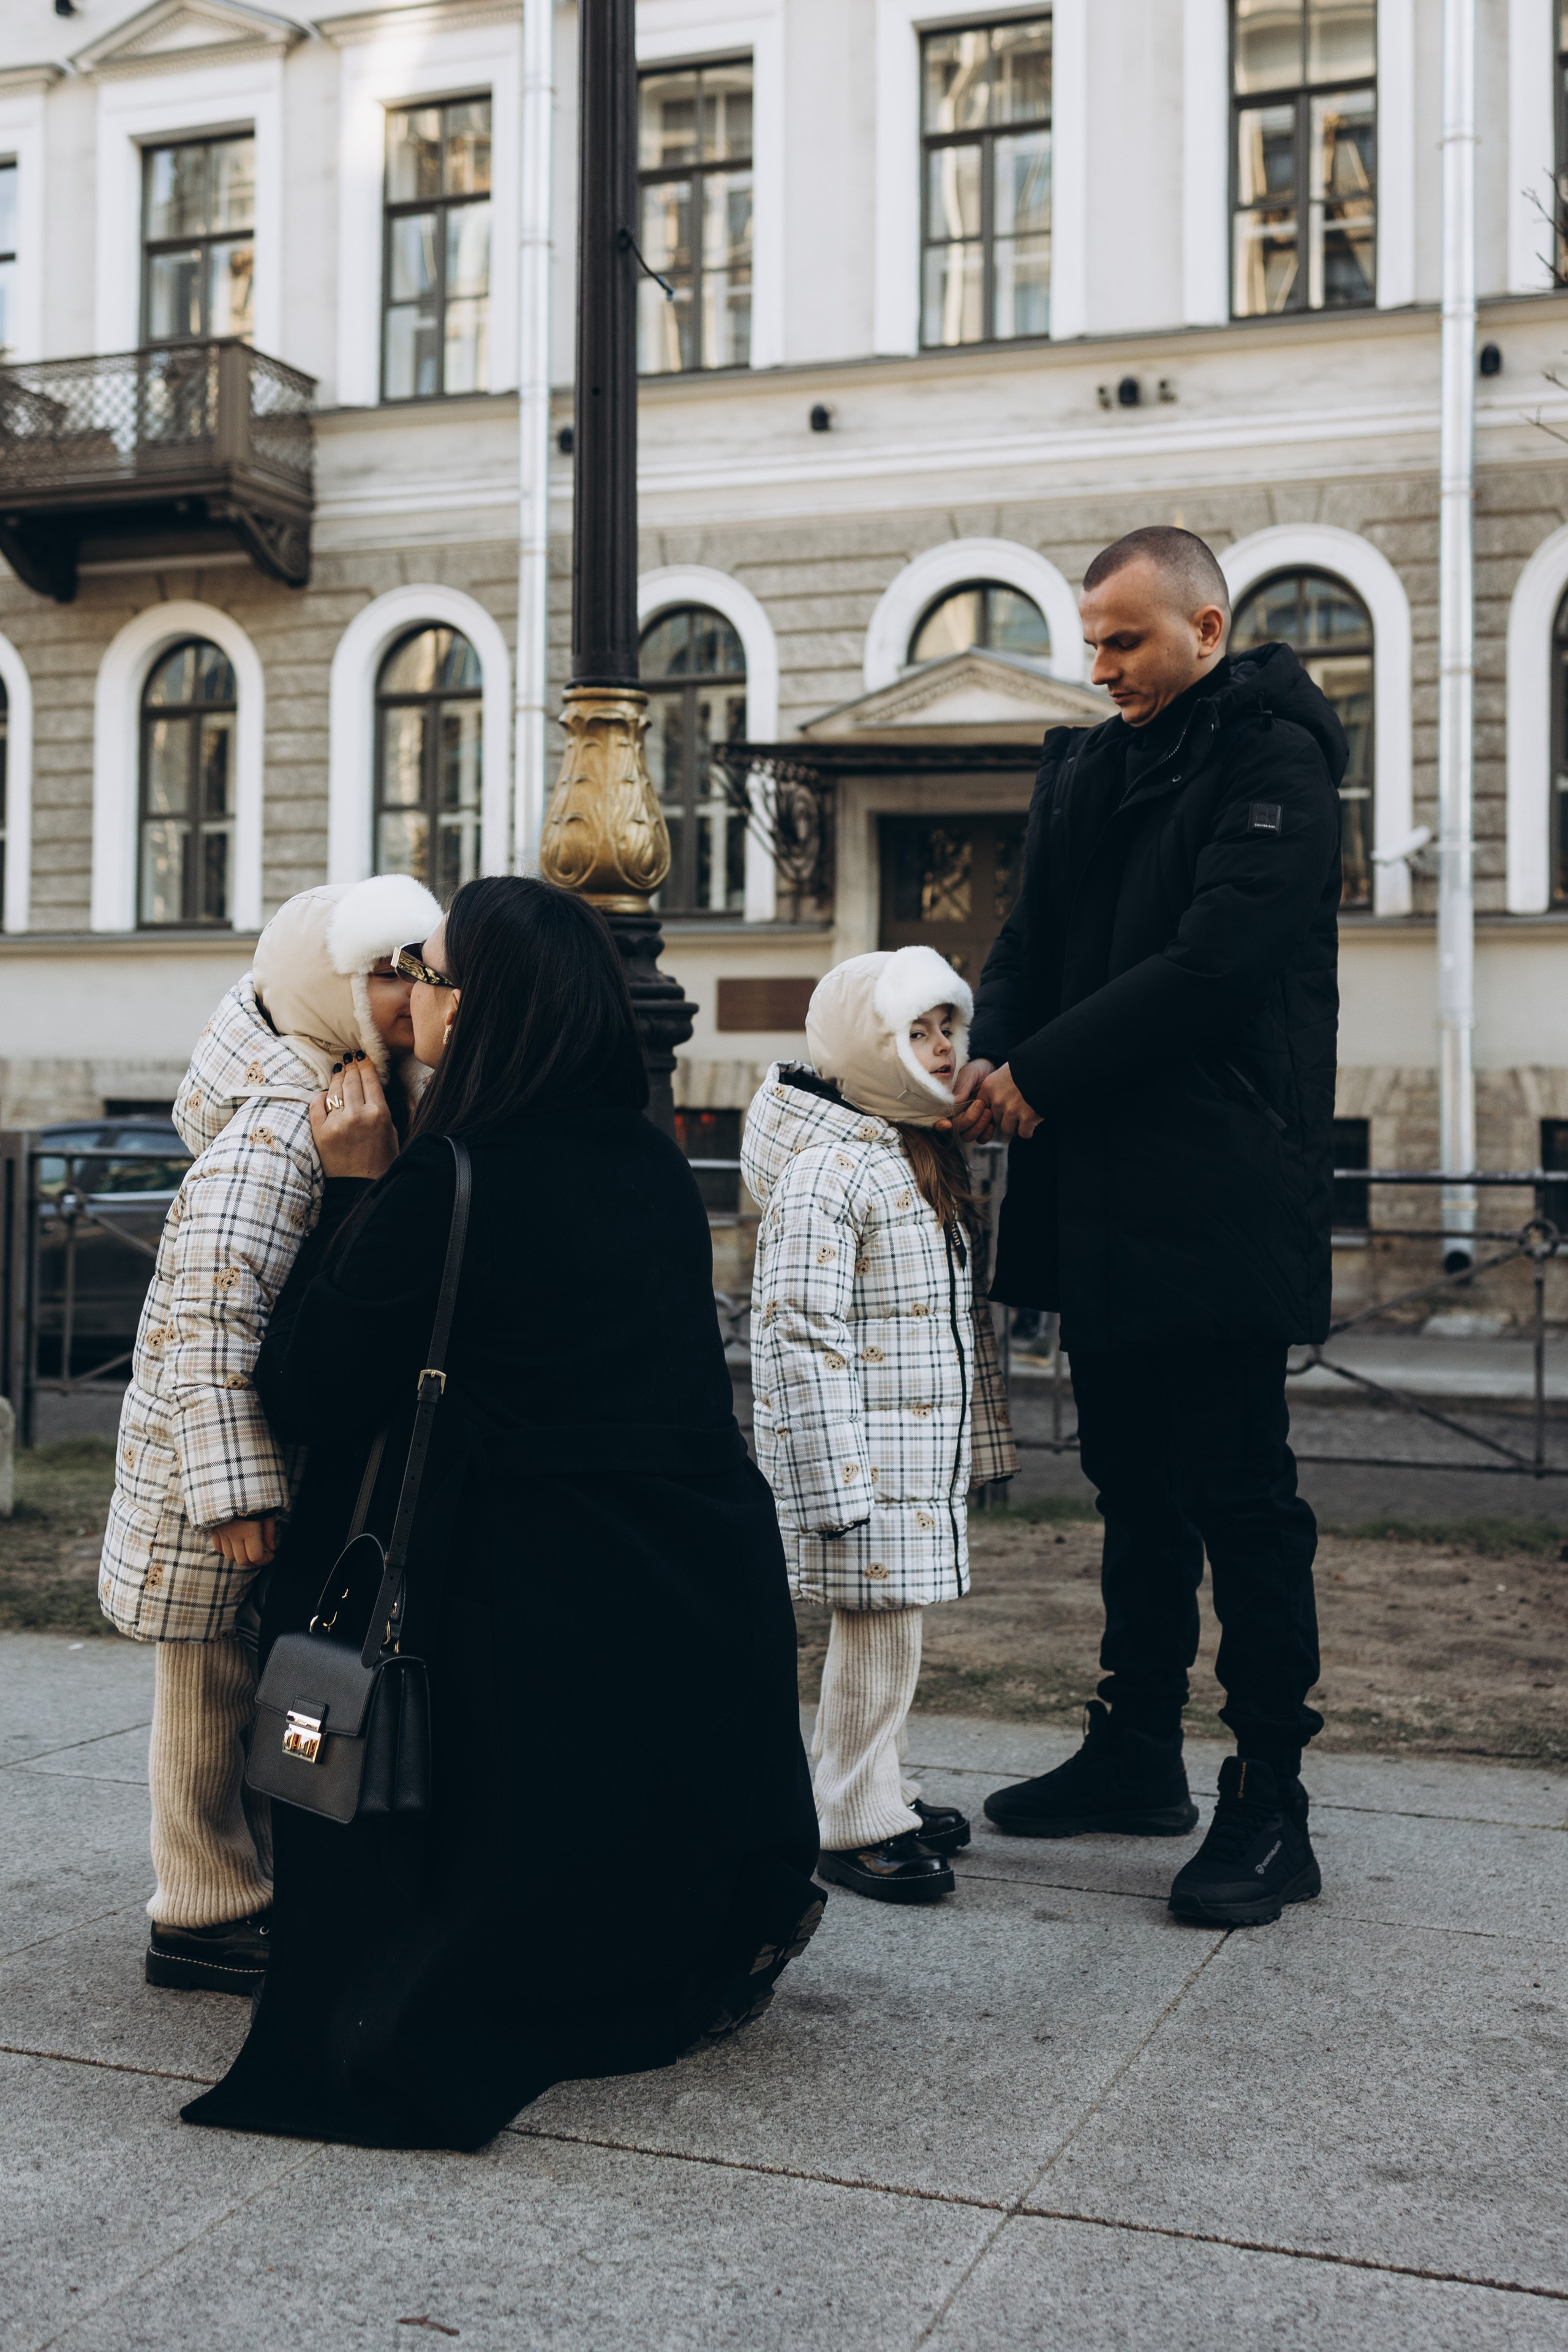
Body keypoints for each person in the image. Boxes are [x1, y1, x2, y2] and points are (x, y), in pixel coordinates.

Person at [183, 875, 821, 2151]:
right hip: (680, 1581)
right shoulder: (643, 1157)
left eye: (427, 969)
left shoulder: (447, 1177)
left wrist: (362, 1186)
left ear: (481, 1010)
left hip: (506, 1591)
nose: (407, 991)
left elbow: (310, 1383)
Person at [952, 525, 1343, 1929]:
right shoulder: (1089, 767)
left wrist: (1034, 1075)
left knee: (1239, 1492)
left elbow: (1212, 969)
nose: (1100, 665)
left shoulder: (1273, 759)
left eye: (1124, 639)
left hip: (1219, 1183)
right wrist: (979, 1056)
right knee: (1128, 1480)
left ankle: (1270, 1799)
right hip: (1097, 1181)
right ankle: (1133, 1749)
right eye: (1091, 639)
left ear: (1205, 625)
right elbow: (1022, 947)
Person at [99, 873, 442, 1994]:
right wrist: (235, 1487)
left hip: (244, 1473)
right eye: (380, 973)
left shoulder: (345, 1094)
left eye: (413, 967)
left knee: (244, 1682)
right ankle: (200, 1911)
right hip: (206, 1486)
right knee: (203, 1696)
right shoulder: (277, 1128)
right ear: (328, 986)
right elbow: (205, 1315)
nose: (403, 992)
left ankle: (241, 1886)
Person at [742, 946, 1018, 1905]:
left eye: (950, 1029)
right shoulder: (833, 1170)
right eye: (918, 1033)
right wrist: (828, 1478)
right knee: (877, 1634)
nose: (943, 1050)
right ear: (869, 1049)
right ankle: (853, 1820)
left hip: (908, 1456)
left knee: (892, 1633)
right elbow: (795, 1330)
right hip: (863, 1463)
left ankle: (876, 1785)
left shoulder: (906, 1150)